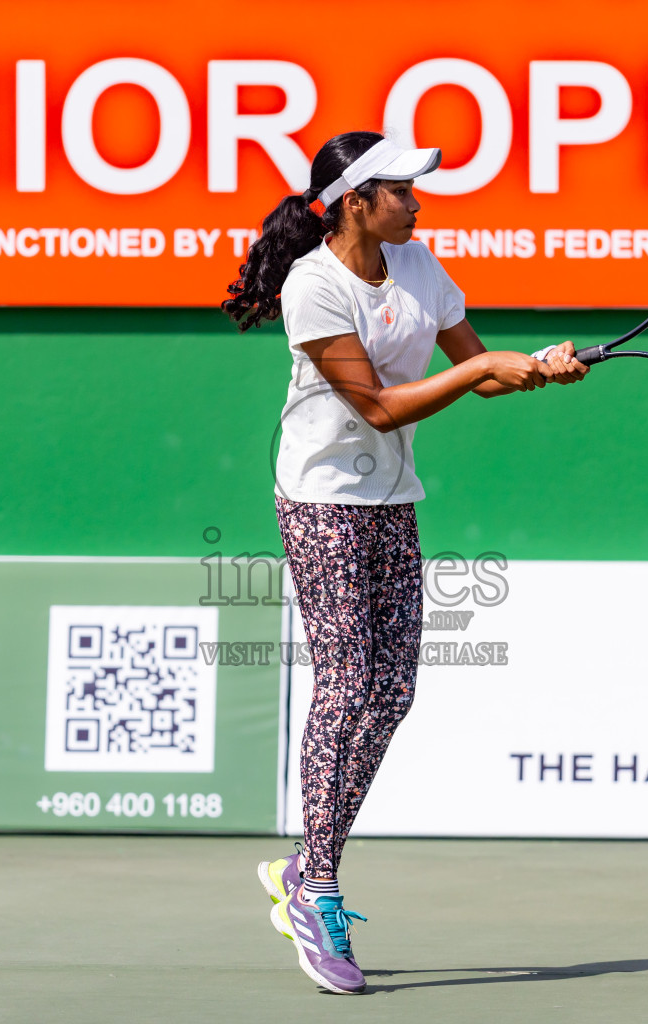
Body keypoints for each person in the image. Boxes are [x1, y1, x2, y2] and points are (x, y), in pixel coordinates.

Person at [222, 131, 589, 994]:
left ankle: (307, 864)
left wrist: (533, 369)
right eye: (401, 190)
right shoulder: (312, 285)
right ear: (356, 201)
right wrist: (489, 369)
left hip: (392, 500)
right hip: (321, 499)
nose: (418, 202)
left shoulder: (420, 265)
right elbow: (381, 406)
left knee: (393, 692)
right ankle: (317, 888)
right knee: (348, 684)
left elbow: (477, 373)